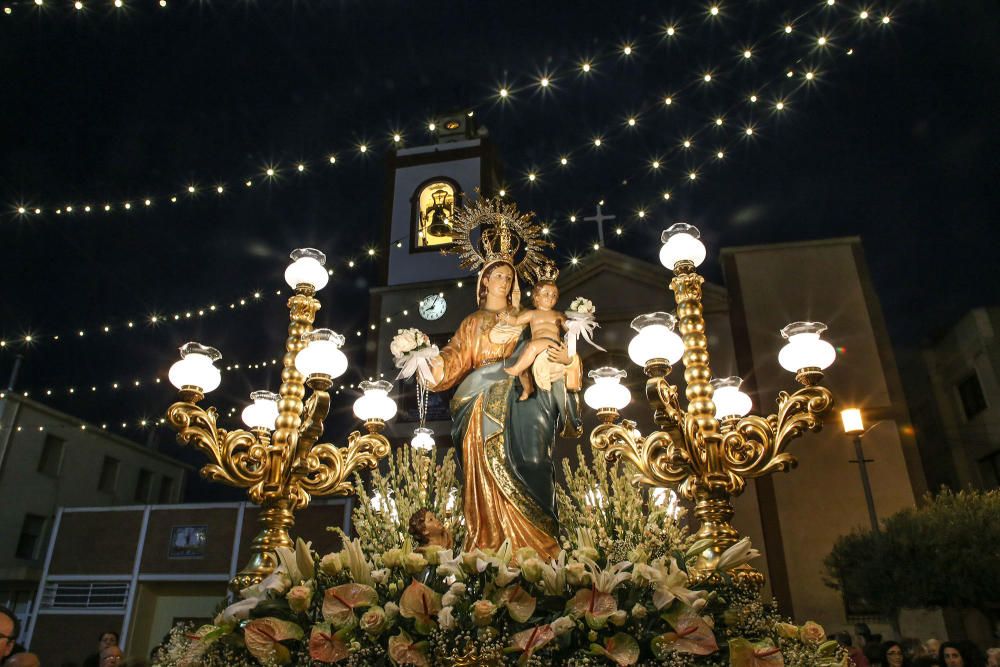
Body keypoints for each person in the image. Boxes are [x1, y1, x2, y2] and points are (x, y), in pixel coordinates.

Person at [428, 256, 582, 561]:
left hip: (525, 398)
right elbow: (454, 357)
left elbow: (561, 348)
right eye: (498, 276)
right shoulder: (473, 322)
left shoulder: (531, 316)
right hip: (480, 400)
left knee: (534, 463)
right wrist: (425, 360)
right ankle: (489, 547)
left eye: (509, 278)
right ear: (485, 280)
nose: (505, 282)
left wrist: (570, 362)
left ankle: (542, 550)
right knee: (486, 474)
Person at [501, 279, 565, 400]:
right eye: (546, 294)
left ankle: (515, 369)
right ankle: (528, 388)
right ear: (536, 297)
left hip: (552, 344)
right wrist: (506, 318)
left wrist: (575, 323)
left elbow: (568, 328)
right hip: (537, 344)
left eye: (554, 295)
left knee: (531, 348)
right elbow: (516, 321)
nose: (550, 298)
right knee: (523, 370)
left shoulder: (558, 315)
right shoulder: (532, 313)